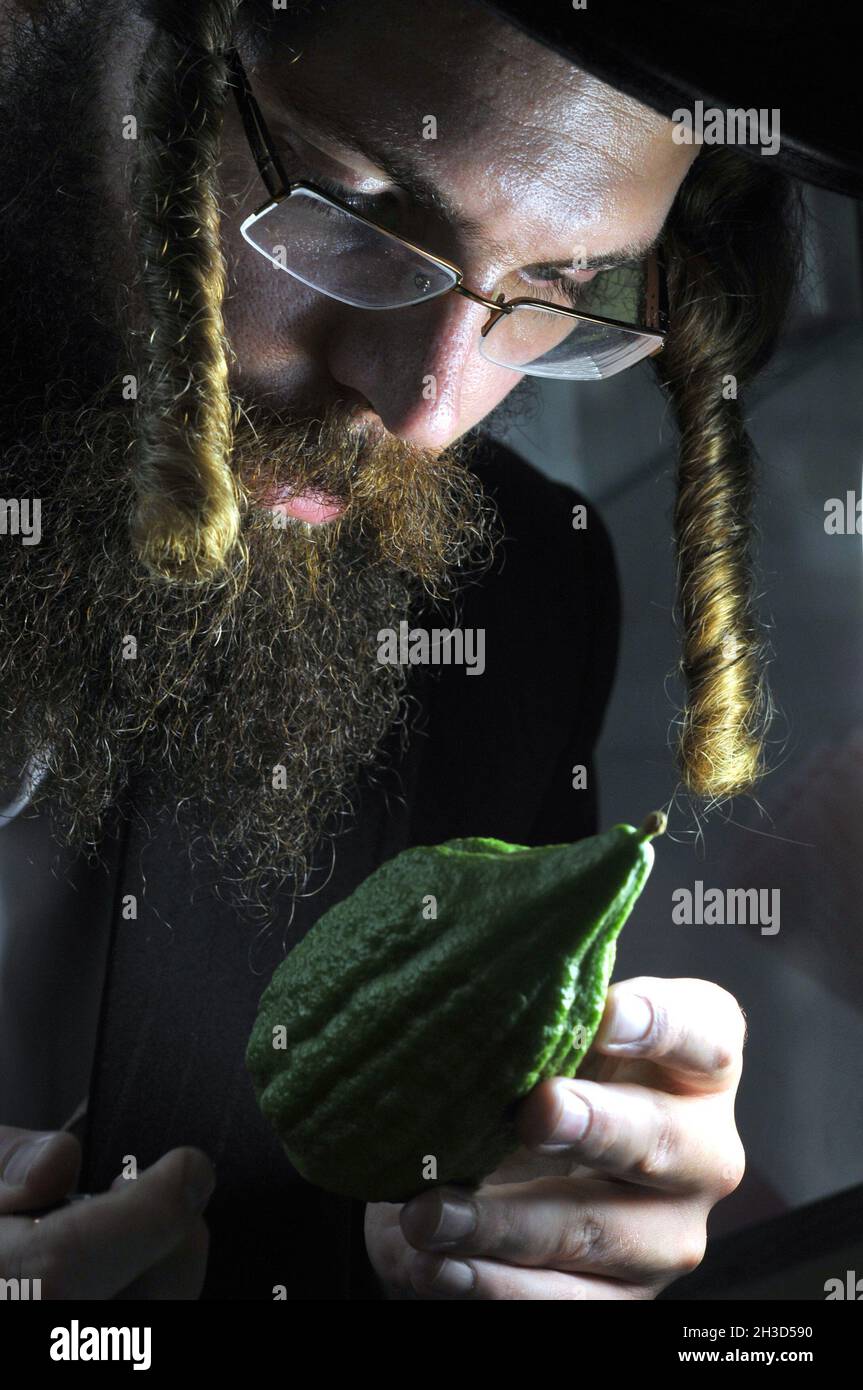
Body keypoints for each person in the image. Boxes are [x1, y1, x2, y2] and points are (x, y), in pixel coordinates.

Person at [0, 0, 826, 1300]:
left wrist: (519, 1251)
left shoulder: (515, 604)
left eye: (560, 291)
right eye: (352, 209)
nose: (428, 409)